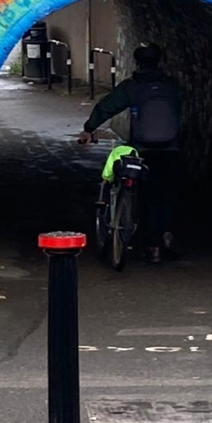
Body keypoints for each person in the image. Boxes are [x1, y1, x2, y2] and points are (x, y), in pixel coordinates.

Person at [79, 43, 181, 263]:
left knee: (147, 197)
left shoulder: (132, 87)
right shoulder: (172, 86)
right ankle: (167, 236)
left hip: (142, 149)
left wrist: (89, 129)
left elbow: (107, 106)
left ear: (137, 62)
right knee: (167, 195)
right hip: (171, 149)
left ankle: (152, 246)